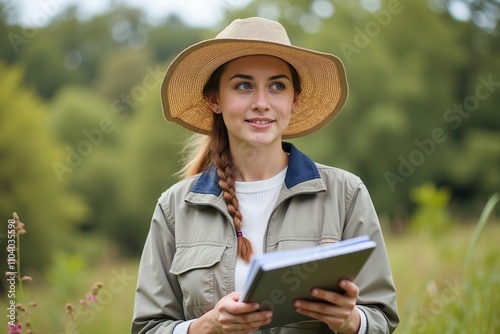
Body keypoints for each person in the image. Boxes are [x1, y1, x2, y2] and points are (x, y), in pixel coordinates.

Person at [132, 17, 399, 334]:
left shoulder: (346, 194)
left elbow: (382, 320)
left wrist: (350, 320)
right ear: (215, 99)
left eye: (277, 86)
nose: (261, 103)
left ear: (294, 100)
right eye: (243, 86)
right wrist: (203, 327)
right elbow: (148, 328)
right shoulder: (174, 208)